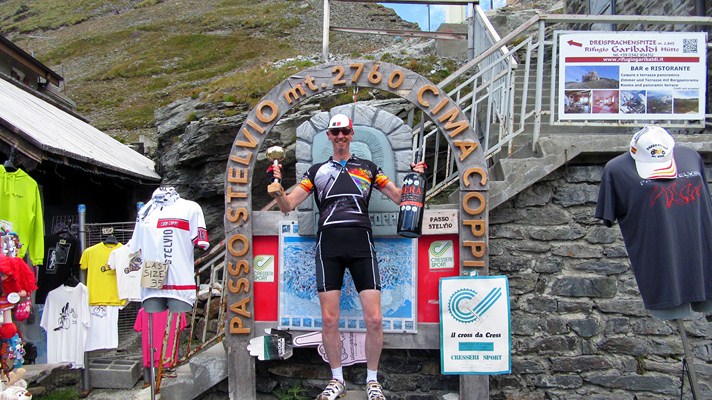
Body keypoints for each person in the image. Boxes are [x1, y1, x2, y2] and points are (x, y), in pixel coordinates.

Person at [269, 113, 426, 400]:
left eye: (345, 131)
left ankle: (373, 381)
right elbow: (287, 205)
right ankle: (337, 380)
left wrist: (416, 179)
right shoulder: (316, 171)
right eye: (335, 132)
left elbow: (398, 196)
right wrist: (277, 189)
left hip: (361, 244)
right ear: (329, 136)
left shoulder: (368, 168)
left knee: (375, 319)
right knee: (329, 320)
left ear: (352, 134)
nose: (340, 136)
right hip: (328, 246)